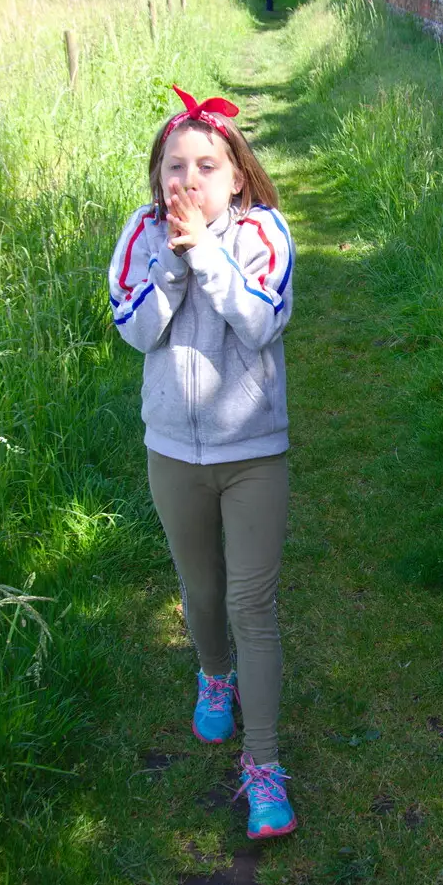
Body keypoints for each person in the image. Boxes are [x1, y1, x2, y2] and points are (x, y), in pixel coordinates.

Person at [108, 84, 298, 840]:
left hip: (253, 451)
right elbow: (137, 331)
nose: (188, 181)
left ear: (237, 177)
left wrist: (209, 254)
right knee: (202, 587)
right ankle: (213, 672)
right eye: (174, 167)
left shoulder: (264, 233)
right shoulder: (140, 236)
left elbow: (260, 320)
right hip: (171, 449)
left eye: (206, 166)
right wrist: (176, 264)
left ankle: (264, 765)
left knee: (254, 603)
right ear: (157, 179)